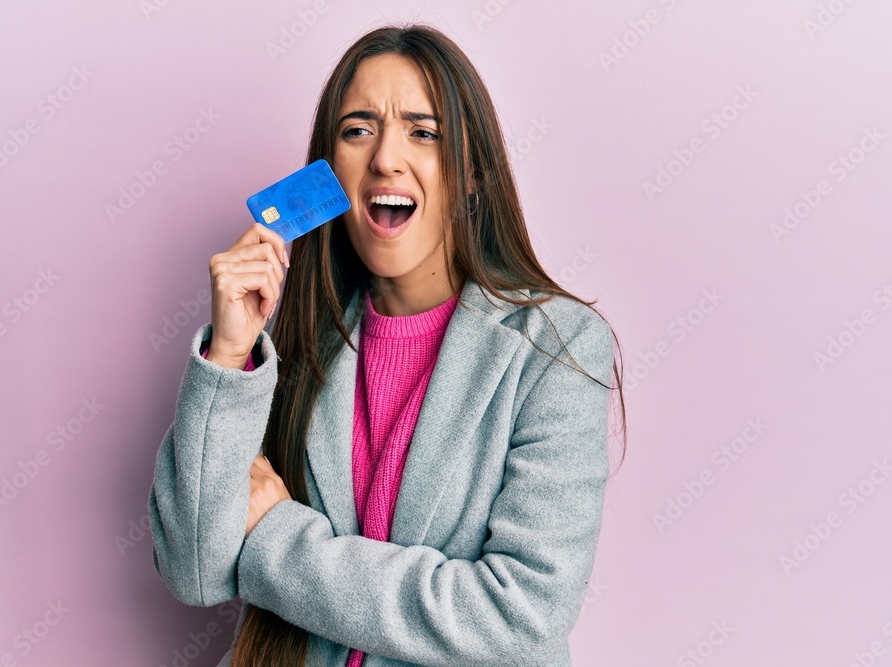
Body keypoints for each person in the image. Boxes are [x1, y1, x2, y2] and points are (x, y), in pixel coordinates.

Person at [149, 23, 627, 667]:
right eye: (357, 130)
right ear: (328, 173)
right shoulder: (292, 342)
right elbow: (194, 569)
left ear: (474, 174)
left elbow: (518, 617)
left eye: (423, 133)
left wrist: (277, 538)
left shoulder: (555, 348)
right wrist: (231, 352)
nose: (385, 159)